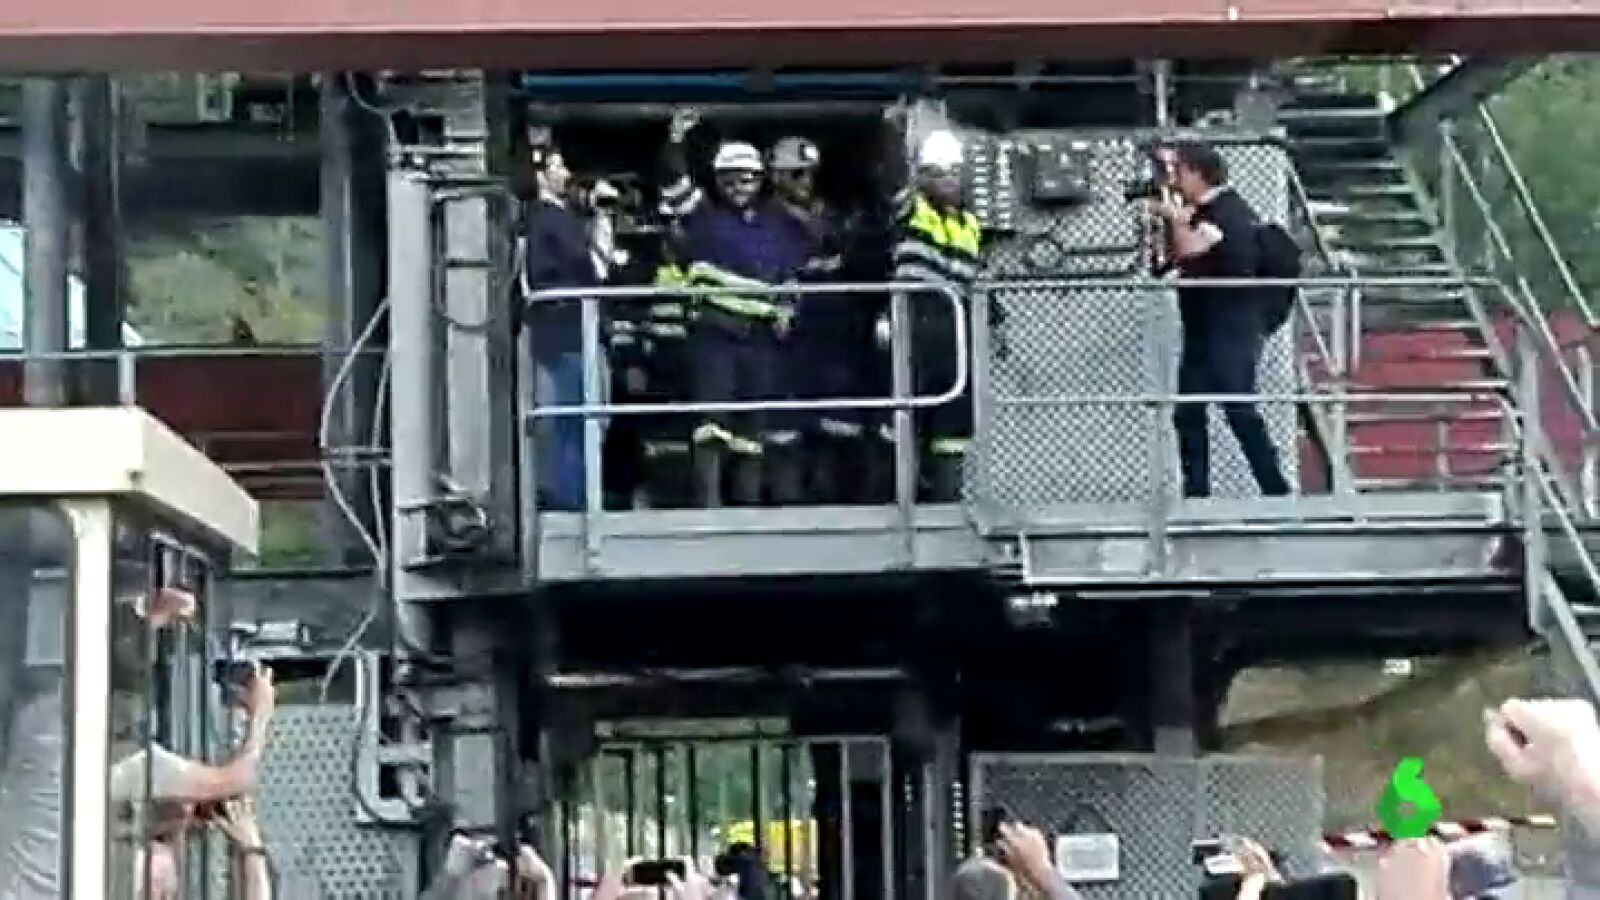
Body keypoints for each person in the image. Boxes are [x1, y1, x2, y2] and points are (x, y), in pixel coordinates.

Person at [659, 110, 810, 507]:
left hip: (760, 339)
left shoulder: (777, 226)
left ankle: (748, 506)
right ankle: (709, 508)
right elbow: (672, 181)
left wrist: (788, 307)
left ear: (760, 180)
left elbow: (793, 274)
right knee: (712, 425)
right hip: (715, 334)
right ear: (717, 180)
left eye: (747, 178)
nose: (738, 186)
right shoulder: (702, 218)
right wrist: (676, 140)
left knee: (752, 429)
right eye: (729, 179)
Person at [1149, 140, 1289, 500]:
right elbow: (1172, 261)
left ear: (1197, 173)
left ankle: (1276, 491)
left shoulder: (1228, 212)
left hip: (1231, 326)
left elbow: (1196, 252)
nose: (1174, 179)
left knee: (1238, 408)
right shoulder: (1201, 212)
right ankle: (1196, 493)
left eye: (1179, 171)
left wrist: (1178, 220)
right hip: (1202, 326)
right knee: (1188, 412)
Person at [873, 115, 984, 502]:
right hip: (914, 326)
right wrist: (892, 132)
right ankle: (895, 501)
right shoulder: (911, 210)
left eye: (953, 173)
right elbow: (891, 179)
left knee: (953, 425)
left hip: (955, 334)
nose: (947, 181)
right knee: (906, 419)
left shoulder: (970, 224)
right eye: (937, 174)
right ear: (921, 177)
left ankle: (947, 503)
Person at [768, 135, 874, 503]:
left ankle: (833, 500)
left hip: (833, 338)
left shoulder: (832, 219)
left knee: (839, 426)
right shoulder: (766, 221)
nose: (806, 182)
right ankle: (790, 506)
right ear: (776, 177)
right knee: (785, 431)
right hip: (786, 339)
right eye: (796, 174)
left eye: (810, 173)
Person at [522, 140, 604, 512]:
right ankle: (572, 497)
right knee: (575, 420)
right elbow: (582, 268)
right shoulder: (551, 220)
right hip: (567, 332)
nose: (567, 174)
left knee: (574, 419)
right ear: (541, 175)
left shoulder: (542, 219)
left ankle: (574, 493)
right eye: (558, 167)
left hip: (562, 331)